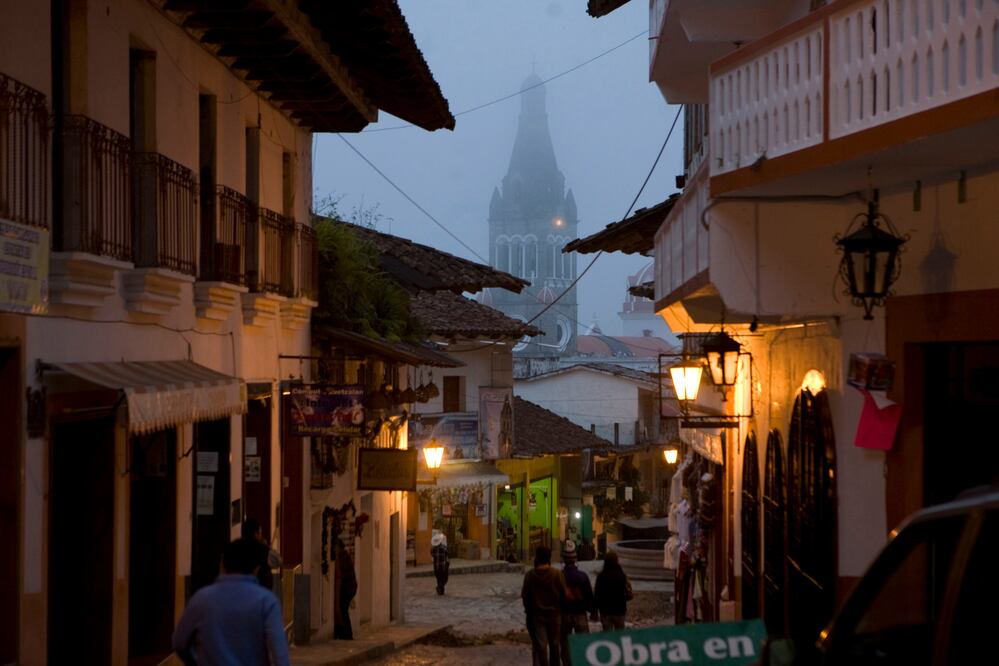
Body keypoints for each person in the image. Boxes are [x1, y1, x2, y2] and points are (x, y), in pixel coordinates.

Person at [172, 537, 290, 666]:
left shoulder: (201, 598)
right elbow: (279, 654)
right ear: (257, 568)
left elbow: (179, 642)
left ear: (223, 564)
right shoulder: (266, 601)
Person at [522, 545, 567, 666]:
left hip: (537, 616)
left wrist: (528, 611)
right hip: (555, 615)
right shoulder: (557, 574)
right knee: (554, 644)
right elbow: (564, 595)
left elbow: (525, 596)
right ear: (549, 558)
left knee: (541, 645)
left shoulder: (530, 575)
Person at [559, 541, 595, 666]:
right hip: (580, 614)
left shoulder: (560, 576)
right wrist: (593, 612)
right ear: (575, 559)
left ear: (564, 559)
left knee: (565, 644)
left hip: (564, 615)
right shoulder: (582, 576)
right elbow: (589, 596)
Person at [594, 551, 632, 631]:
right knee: (619, 636)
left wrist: (594, 611)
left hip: (605, 611)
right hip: (619, 611)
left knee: (608, 636)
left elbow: (597, 595)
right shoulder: (621, 575)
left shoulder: (601, 576)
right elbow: (628, 592)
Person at [242, 517, 282, 590]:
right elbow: (278, 561)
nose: (261, 536)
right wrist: (266, 546)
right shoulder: (262, 549)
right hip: (261, 589)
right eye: (260, 533)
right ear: (255, 534)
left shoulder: (237, 548)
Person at [333, 538, 358, 640]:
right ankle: (343, 633)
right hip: (350, 588)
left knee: (343, 611)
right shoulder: (345, 555)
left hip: (347, 589)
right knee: (343, 611)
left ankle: (347, 635)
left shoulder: (341, 557)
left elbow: (340, 575)